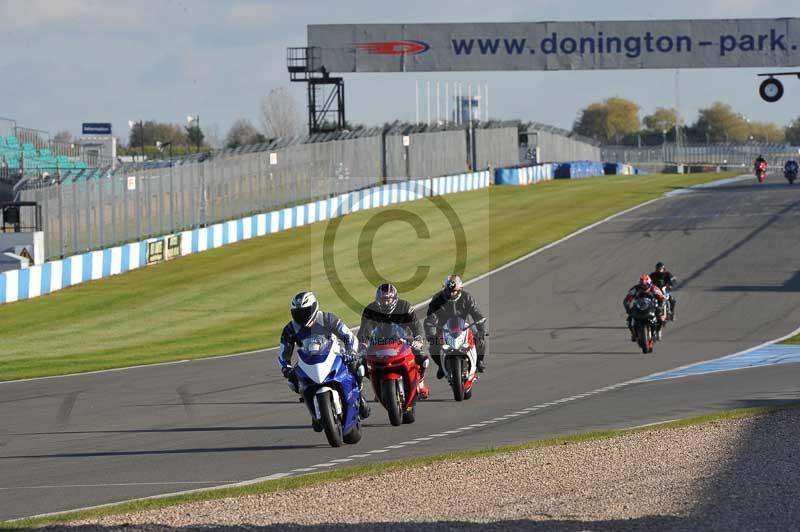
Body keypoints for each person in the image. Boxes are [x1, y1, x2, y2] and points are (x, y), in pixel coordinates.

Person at [278, 291, 370, 429]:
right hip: (309, 361)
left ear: (314, 307)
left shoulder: (327, 318)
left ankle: (359, 396)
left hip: (333, 355)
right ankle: (314, 410)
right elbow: (283, 352)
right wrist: (286, 367)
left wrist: (350, 350)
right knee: (293, 381)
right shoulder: (290, 329)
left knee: (356, 364)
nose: (301, 316)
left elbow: (348, 336)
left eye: (304, 312)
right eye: (297, 313)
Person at [359, 283, 430, 399]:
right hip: (379, 344)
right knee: (361, 363)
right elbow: (364, 330)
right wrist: (363, 344)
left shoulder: (405, 307)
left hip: (404, 342)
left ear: (395, 298)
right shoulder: (370, 310)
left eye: (389, 299)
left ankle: (420, 382)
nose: (386, 302)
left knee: (423, 359)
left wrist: (418, 339)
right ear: (377, 300)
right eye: (383, 299)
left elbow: (416, 326)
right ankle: (379, 385)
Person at [425, 275, 487, 377]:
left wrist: (482, 329)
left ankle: (479, 361)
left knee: (480, 339)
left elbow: (477, 314)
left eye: (454, 291)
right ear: (444, 289)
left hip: (464, 325)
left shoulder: (467, 297)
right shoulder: (437, 299)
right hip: (444, 327)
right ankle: (441, 366)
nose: (451, 294)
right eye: (449, 291)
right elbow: (430, 318)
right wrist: (430, 334)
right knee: (433, 345)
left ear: (460, 290)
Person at [623, 274, 667, 341]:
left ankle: (657, 331)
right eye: (642, 285)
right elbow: (627, 299)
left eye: (645, 285)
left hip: (652, 306)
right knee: (629, 320)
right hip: (638, 306)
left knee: (660, 318)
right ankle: (633, 334)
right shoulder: (635, 289)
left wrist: (660, 306)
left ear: (649, 283)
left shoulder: (654, 288)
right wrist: (627, 307)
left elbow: (662, 298)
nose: (644, 286)